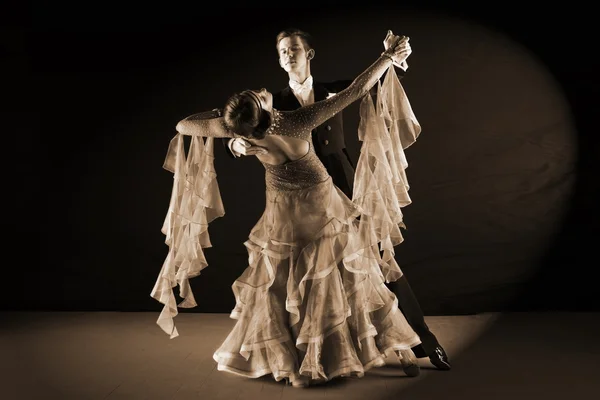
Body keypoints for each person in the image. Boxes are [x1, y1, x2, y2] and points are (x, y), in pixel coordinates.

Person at [152, 31, 421, 388]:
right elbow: (356, 89)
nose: (262, 89)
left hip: (283, 216)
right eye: (259, 96)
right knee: (356, 275)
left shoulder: (248, 131)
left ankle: (300, 357)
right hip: (322, 209)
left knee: (284, 286)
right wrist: (386, 58)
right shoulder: (296, 121)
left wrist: (228, 125)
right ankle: (394, 346)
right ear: (264, 109)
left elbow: (183, 124)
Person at [223, 28, 450, 370]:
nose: (288, 55)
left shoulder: (331, 89)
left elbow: (367, 83)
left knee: (376, 257)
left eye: (294, 48)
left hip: (345, 184)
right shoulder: (270, 102)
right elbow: (238, 126)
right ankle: (322, 352)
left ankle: (421, 342)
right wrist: (236, 144)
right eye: (282, 50)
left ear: (309, 53)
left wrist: (393, 57)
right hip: (303, 199)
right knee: (309, 274)